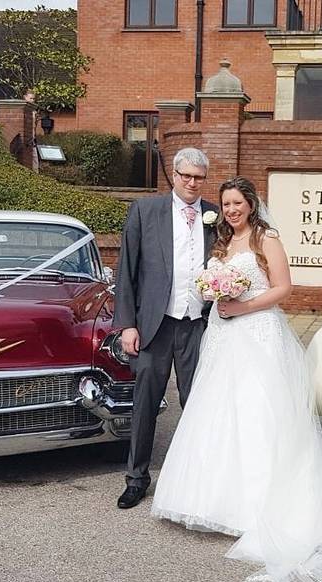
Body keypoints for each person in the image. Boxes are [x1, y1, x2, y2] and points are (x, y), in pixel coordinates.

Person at [150, 177, 322, 582]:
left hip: (258, 333)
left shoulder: (267, 238)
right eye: (226, 203)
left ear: (250, 203)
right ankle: (212, 501)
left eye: (237, 203)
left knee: (258, 412)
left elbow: (284, 289)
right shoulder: (222, 240)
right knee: (218, 411)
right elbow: (212, 284)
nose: (230, 210)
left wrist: (241, 306)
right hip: (223, 336)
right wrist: (213, 295)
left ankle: (258, 507)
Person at [112, 147, 219, 509]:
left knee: (197, 403)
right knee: (145, 403)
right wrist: (126, 324)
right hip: (154, 326)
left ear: (206, 179)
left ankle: (196, 479)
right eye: (185, 175)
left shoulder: (214, 216)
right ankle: (136, 478)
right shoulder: (146, 210)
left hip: (197, 326)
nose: (192, 182)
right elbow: (125, 270)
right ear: (173, 175)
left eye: (199, 177)